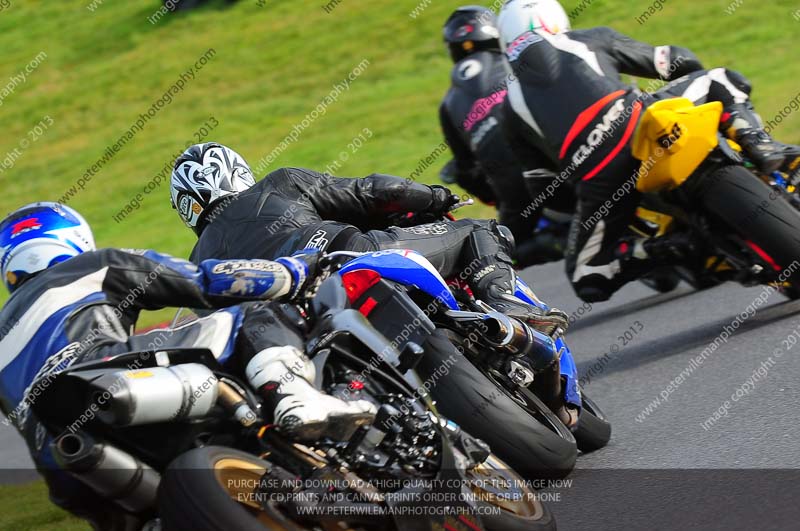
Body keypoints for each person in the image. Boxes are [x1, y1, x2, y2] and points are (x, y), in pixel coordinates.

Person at [0, 202, 374, 530]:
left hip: (70, 477)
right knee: (254, 314)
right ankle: (294, 398)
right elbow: (206, 281)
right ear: (72, 239)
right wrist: (294, 272)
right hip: (109, 380)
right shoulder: (89, 267)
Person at [497, 0, 800, 302]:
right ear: (556, 20)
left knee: (588, 276)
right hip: (643, 126)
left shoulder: (508, 109)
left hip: (602, 178)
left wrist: (587, 194)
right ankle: (761, 144)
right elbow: (675, 60)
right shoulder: (587, 39)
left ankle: (661, 248)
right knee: (719, 77)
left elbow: (546, 189)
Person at [439, 5, 573, 267]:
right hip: (554, 155)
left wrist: (496, 197)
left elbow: (465, 170)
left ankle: (548, 244)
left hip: (514, 192)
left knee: (500, 253)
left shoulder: (449, 102)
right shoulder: (518, 59)